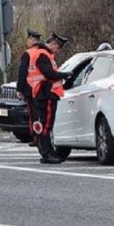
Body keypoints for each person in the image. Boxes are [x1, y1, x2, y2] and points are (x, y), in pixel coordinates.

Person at [27, 33, 72, 164]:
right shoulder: (42, 55)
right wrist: (64, 74)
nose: (57, 51)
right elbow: (49, 74)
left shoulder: (46, 54)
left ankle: (49, 152)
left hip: (47, 93)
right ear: (53, 44)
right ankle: (46, 153)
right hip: (45, 93)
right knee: (46, 125)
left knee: (47, 124)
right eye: (58, 48)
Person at [16, 29, 42, 146]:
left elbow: (22, 73)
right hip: (44, 89)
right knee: (42, 114)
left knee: (34, 114)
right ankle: (42, 136)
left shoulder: (28, 54)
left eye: (28, 39)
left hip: (31, 89)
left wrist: (19, 89)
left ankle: (37, 137)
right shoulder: (44, 52)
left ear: (32, 39)